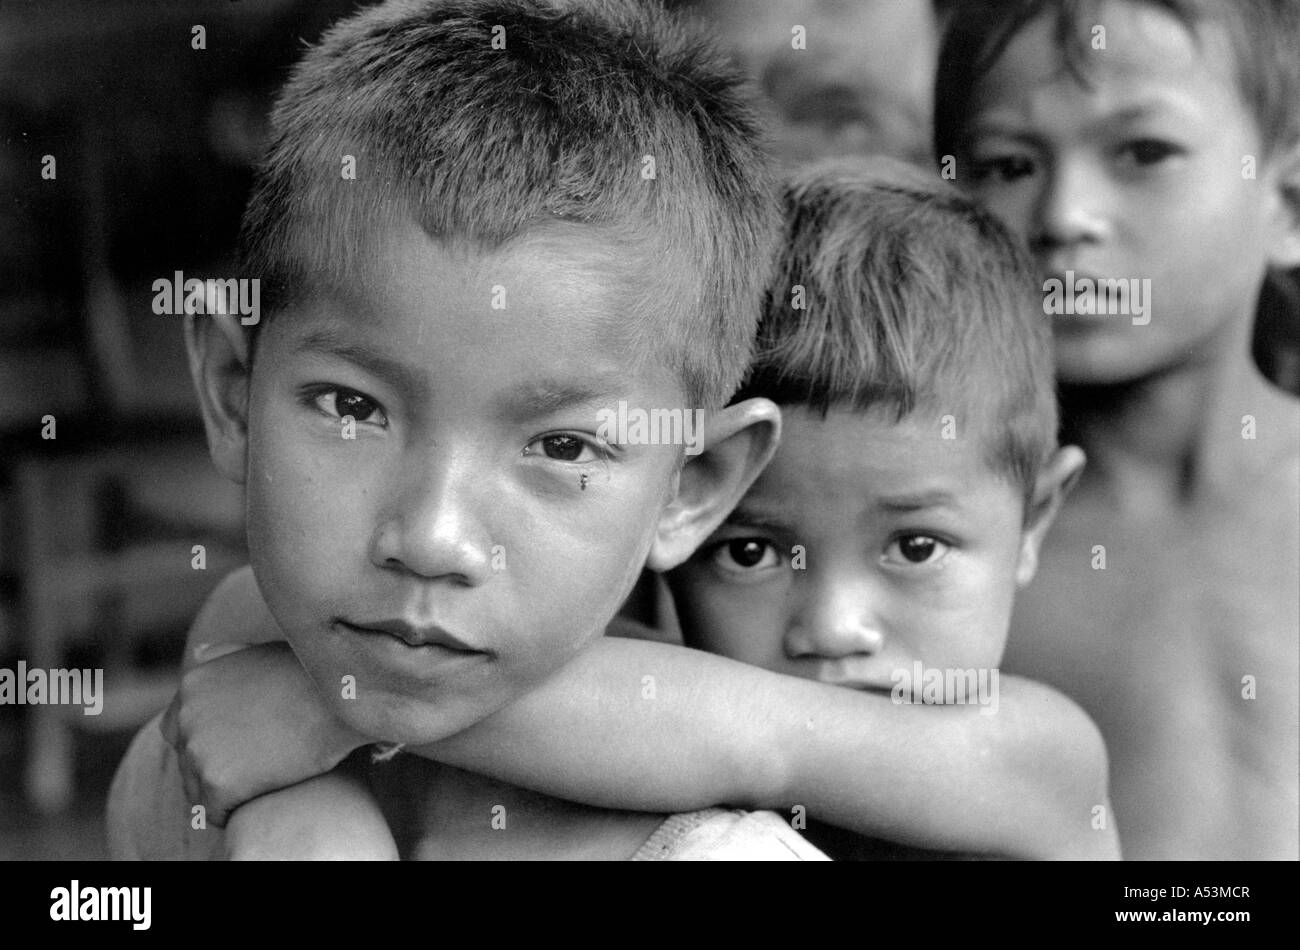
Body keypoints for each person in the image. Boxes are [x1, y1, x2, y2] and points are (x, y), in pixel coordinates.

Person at [117, 150, 1116, 860]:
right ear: (675, 506)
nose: (832, 625)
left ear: (1034, 518)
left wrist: (323, 692)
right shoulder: (633, 680)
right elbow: (249, 604)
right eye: (755, 552)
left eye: (915, 545)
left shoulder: (1037, 752)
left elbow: (757, 731)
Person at [934, 0, 1300, 859]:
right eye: (1009, 163)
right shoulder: (937, 539)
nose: (1065, 214)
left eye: (1143, 153)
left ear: (1286, 203)